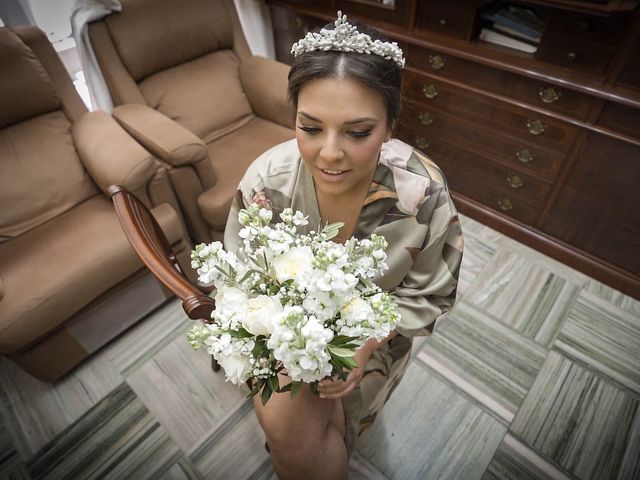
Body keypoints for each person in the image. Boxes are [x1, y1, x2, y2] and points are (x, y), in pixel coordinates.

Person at [223, 11, 463, 479]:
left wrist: (364, 344)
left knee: (309, 433)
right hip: (280, 334)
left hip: (374, 337)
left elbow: (429, 294)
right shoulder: (266, 183)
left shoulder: (424, 196)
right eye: (310, 128)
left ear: (390, 124)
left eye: (357, 133)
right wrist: (286, 339)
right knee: (284, 423)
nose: (330, 153)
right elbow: (238, 278)